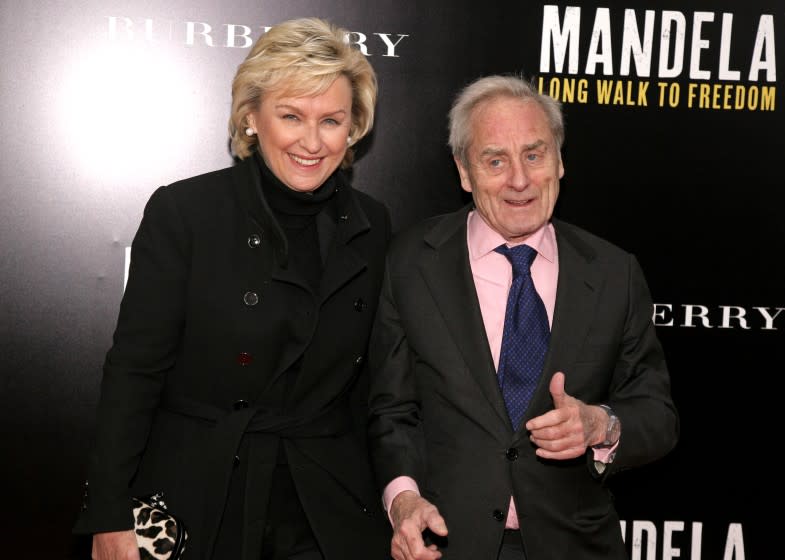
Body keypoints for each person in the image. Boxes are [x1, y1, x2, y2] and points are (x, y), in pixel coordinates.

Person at [74, 17, 393, 560]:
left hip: (324, 501)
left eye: (332, 120)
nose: (312, 142)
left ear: (354, 128)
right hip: (201, 487)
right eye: (291, 116)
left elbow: (376, 390)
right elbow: (135, 370)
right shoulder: (186, 213)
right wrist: (107, 509)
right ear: (250, 117)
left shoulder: (373, 225)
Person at [367, 74, 679, 560]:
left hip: (575, 546)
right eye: (495, 160)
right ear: (464, 172)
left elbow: (657, 413)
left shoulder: (615, 272)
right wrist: (404, 500)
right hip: (446, 544)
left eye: (534, 155)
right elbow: (392, 410)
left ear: (559, 160)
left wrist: (601, 425)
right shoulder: (410, 262)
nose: (519, 179)